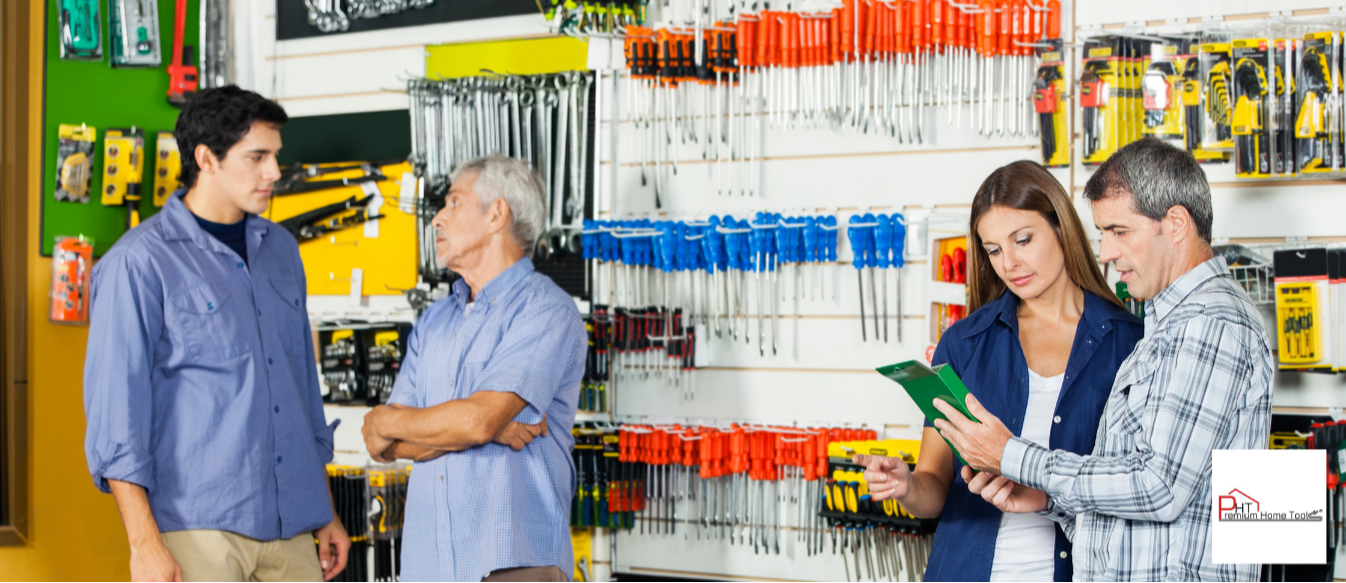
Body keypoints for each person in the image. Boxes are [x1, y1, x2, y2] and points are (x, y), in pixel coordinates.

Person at [936, 138, 1274, 581]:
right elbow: (1139, 510)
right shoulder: (1167, 328)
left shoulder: (1212, 322)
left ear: (1175, 224)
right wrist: (1049, 500)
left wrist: (1011, 456)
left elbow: (1160, 487)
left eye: (1119, 231)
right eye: (1103, 234)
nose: (1107, 253)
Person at [84, 86, 350, 582]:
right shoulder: (137, 263)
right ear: (207, 158)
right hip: (197, 531)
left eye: (275, 156)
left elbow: (300, 393)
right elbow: (116, 418)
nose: (274, 172)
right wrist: (143, 543)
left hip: (293, 525)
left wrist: (324, 510)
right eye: (257, 157)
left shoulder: (282, 251)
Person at [855, 160, 1144, 581]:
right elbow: (935, 486)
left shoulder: (1130, 343)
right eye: (993, 250)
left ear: (1061, 227)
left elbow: (1139, 488)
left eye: (1023, 240)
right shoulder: (964, 343)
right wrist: (907, 487)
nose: (1009, 263)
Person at [359, 155, 586, 582]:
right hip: (428, 567)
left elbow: (477, 421)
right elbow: (380, 441)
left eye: (454, 202)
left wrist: (405, 421)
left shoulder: (546, 311)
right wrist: (481, 426)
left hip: (511, 564)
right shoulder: (433, 321)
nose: (437, 218)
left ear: (496, 214)